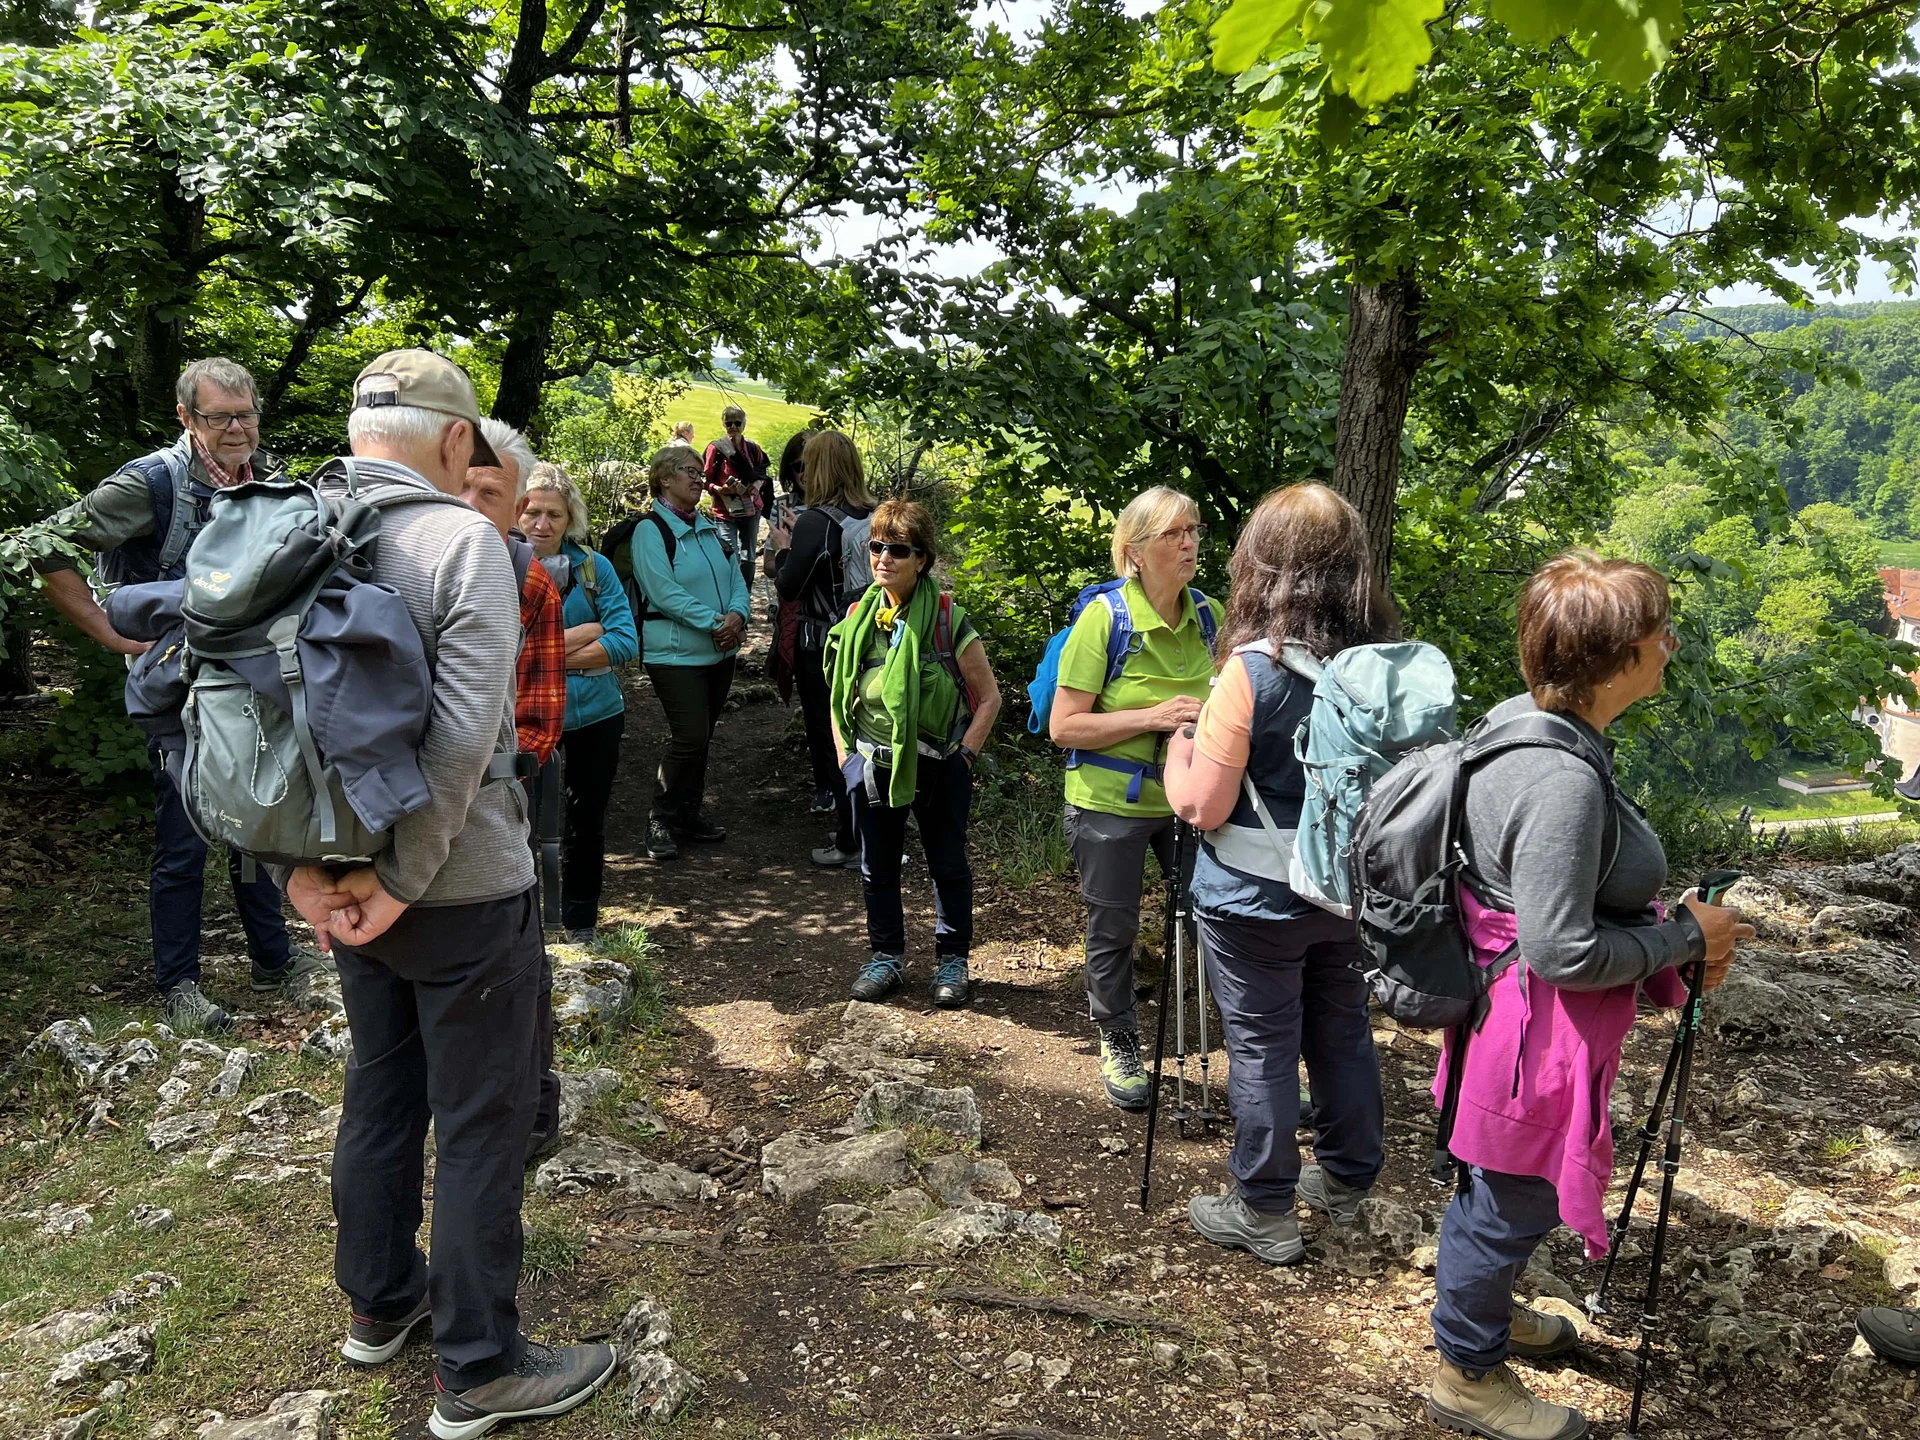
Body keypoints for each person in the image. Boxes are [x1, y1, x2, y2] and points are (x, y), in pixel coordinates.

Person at [282, 350, 614, 1438]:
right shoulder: (461, 540)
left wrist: (309, 872)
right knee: (481, 1121)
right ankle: (479, 1366)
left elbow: (236, 718)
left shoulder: (293, 521)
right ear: (458, 439)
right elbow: (471, 736)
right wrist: (398, 879)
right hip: (455, 888)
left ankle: (380, 1304)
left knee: (381, 1094)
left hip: (333, 876)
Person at [1412, 551, 1752, 1440]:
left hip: (1508, 1015)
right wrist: (1685, 938)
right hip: (1534, 1035)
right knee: (1507, 1199)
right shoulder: (1560, 779)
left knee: (1496, 1187)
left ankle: (1482, 1317)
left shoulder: (1526, 722)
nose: (1671, 647)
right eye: (1661, 635)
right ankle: (1467, 1372)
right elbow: (1562, 948)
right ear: (1625, 658)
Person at [32, 357, 311, 1032]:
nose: (240, 428)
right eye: (222, 417)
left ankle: (275, 959)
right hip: (173, 689)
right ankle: (181, 986)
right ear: (186, 417)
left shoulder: (267, 480)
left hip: (250, 683)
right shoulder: (150, 483)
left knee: (259, 816)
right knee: (185, 835)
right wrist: (108, 632)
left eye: (247, 413)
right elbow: (41, 544)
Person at [1163, 483, 1392, 1266]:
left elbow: (1201, 806)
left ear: (1259, 566)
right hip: (1350, 891)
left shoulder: (1250, 675)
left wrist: (1178, 749)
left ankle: (1264, 1208)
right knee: (1342, 1026)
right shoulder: (1381, 669)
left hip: (1254, 900)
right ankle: (1350, 1178)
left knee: (1261, 1043)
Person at [1050, 487, 1215, 1109]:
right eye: (1174, 533)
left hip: (1191, 802)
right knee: (1114, 925)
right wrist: (1154, 716)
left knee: (1217, 918)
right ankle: (1117, 1036)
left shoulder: (1208, 616)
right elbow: (1064, 727)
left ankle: (1253, 1045)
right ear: (1136, 551)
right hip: (1108, 803)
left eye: (1193, 530)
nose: (1189, 543)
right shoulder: (1105, 620)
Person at [827, 499, 1001, 1007]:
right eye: (876, 546)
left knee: (947, 864)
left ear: (921, 558)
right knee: (876, 867)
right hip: (872, 764)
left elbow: (988, 698)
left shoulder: (947, 619)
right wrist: (846, 759)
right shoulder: (860, 615)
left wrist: (964, 756)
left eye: (897, 549)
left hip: (940, 762)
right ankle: (885, 958)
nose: (883, 558)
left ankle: (952, 960)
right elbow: (837, 692)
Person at [461, 420, 568, 1171]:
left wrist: (497, 782)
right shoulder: (389, 560)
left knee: (520, 965)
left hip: (489, 822)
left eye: (490, 491)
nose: (471, 502)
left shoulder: (528, 580)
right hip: (387, 828)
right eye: (462, 483)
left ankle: (533, 1110)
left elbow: (539, 713)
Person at [519, 462, 637, 942]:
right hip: (526, 715)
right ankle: (523, 922)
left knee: (585, 821)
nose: (541, 524)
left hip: (596, 714)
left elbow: (626, 641)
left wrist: (537, 653)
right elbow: (496, 651)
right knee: (518, 819)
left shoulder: (594, 567)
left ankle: (580, 921)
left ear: (571, 520)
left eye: (554, 515)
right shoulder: (495, 562)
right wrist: (587, 636)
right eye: (532, 513)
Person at [633, 445, 750, 863]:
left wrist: (738, 614)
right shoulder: (651, 530)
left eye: (701, 472)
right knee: (690, 736)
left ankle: (687, 814)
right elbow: (663, 594)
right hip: (674, 655)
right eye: (689, 471)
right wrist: (717, 623)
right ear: (664, 478)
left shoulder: (705, 525)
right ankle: (659, 818)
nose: (699, 478)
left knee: (702, 736)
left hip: (719, 654)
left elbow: (736, 574)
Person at [767, 430, 876, 869]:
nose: (802, 473)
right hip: (873, 640)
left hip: (825, 648)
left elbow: (789, 585)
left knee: (834, 738)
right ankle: (873, 832)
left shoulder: (816, 520)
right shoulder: (876, 514)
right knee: (868, 735)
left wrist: (782, 550)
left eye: (807, 464)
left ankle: (850, 841)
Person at [703, 404, 769, 589]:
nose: (733, 427)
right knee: (729, 552)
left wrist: (756, 485)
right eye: (729, 423)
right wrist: (719, 489)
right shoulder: (715, 449)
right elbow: (705, 479)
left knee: (748, 555)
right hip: (725, 510)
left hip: (751, 508)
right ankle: (730, 592)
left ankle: (744, 592)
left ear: (744, 424)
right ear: (724, 425)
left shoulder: (753, 448)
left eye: (737, 423)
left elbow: (763, 473)